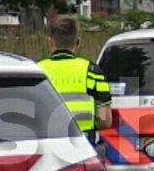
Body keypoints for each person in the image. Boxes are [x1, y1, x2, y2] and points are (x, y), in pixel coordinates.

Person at [37, 15, 112, 143]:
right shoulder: (91, 71)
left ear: (50, 42)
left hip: (47, 143)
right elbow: (105, 120)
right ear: (78, 41)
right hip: (84, 144)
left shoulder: (36, 71)